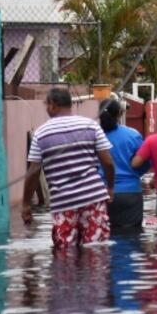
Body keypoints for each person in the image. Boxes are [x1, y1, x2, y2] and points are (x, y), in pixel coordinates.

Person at [22, 87, 115, 249]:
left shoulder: (41, 133)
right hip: (92, 198)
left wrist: (26, 204)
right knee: (96, 252)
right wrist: (111, 187)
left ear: (52, 104)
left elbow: (33, 173)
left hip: (63, 203)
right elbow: (108, 163)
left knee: (65, 255)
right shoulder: (91, 126)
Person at [99, 99, 147, 229]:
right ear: (120, 114)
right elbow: (145, 162)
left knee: (100, 238)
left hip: (98, 193)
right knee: (131, 237)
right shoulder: (133, 135)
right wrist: (134, 173)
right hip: (130, 193)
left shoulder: (93, 136)